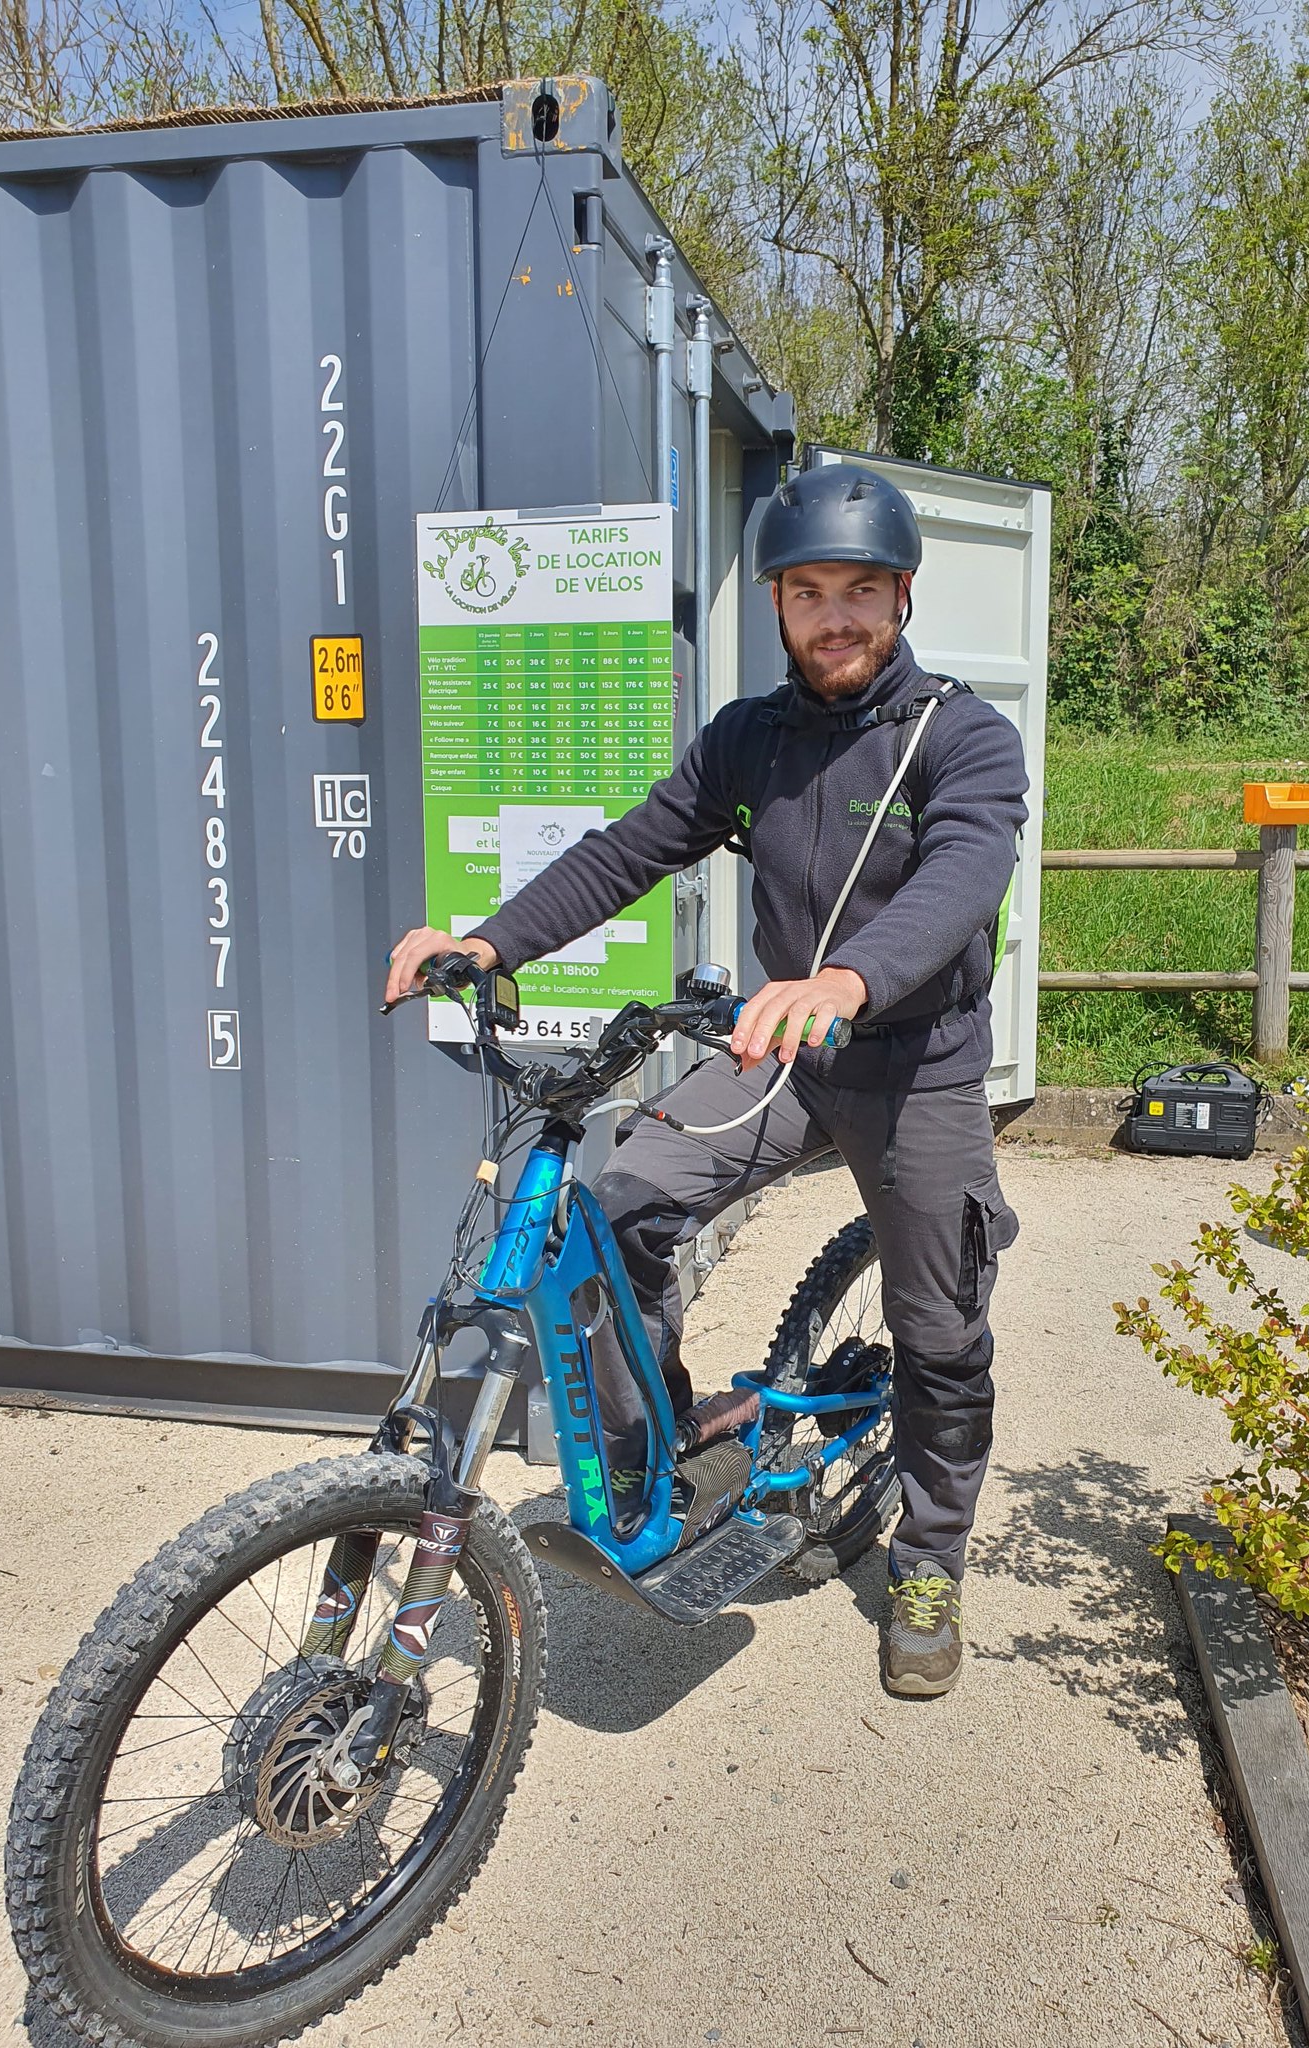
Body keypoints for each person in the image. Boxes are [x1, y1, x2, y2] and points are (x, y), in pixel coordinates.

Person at [386, 464, 1028, 1697]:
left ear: (901, 595)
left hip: (912, 1069)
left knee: (938, 1322)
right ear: (780, 605)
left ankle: (933, 1555)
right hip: (778, 1059)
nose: (834, 617)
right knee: (617, 1206)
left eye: (859, 591)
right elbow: (633, 845)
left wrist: (847, 979)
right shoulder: (751, 736)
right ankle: (657, 1458)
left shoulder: (961, 737)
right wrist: (490, 939)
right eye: (808, 593)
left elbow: (960, 881)